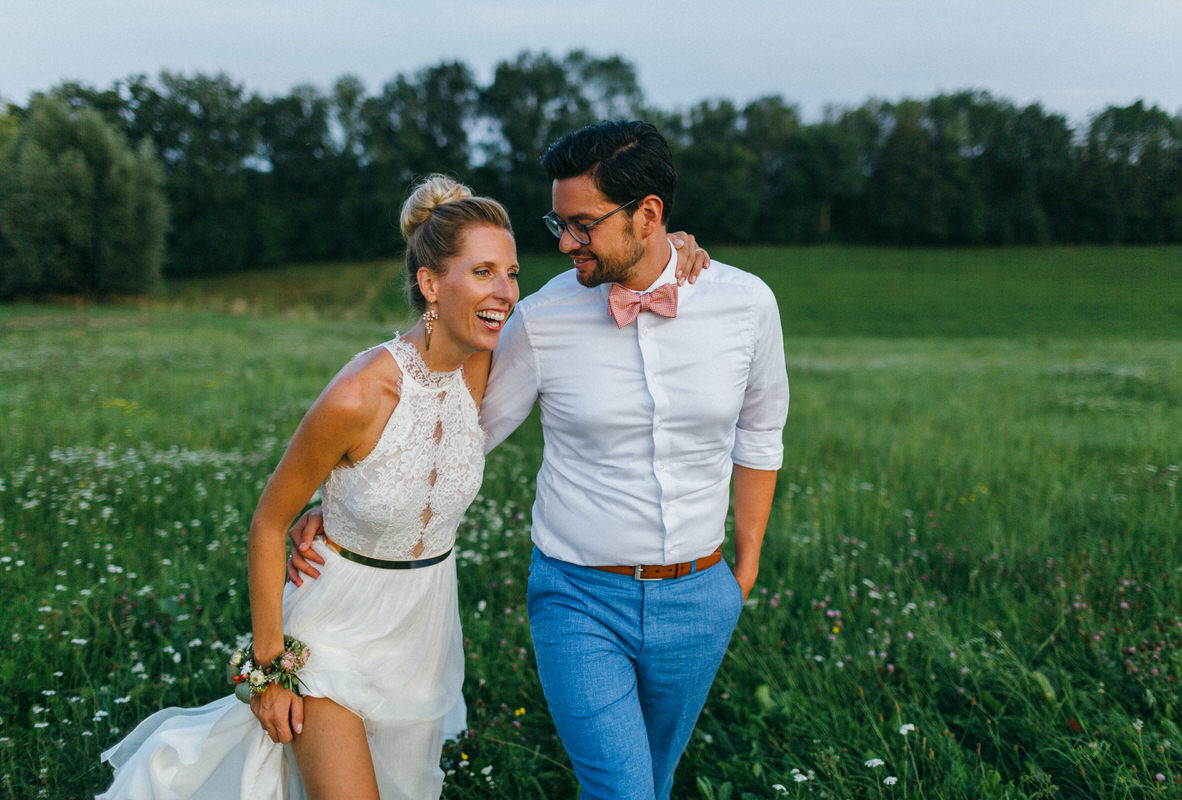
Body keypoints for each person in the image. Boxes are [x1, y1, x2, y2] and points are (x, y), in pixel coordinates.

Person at [99, 173, 707, 800]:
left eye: (512, 273)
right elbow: (268, 525)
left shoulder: (483, 358)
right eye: (483, 273)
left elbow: (614, 272)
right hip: (332, 632)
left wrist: (673, 246)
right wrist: (269, 669)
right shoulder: (359, 393)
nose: (506, 293)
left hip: (420, 636)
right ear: (429, 283)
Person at [292, 121, 788, 800]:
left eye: (582, 224)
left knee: (654, 780)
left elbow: (761, 435)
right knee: (622, 790)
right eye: (558, 221)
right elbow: (463, 433)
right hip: (577, 596)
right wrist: (345, 503)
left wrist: (744, 570)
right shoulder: (542, 318)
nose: (562, 241)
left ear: (649, 215)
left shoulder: (747, 305)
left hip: (700, 597)